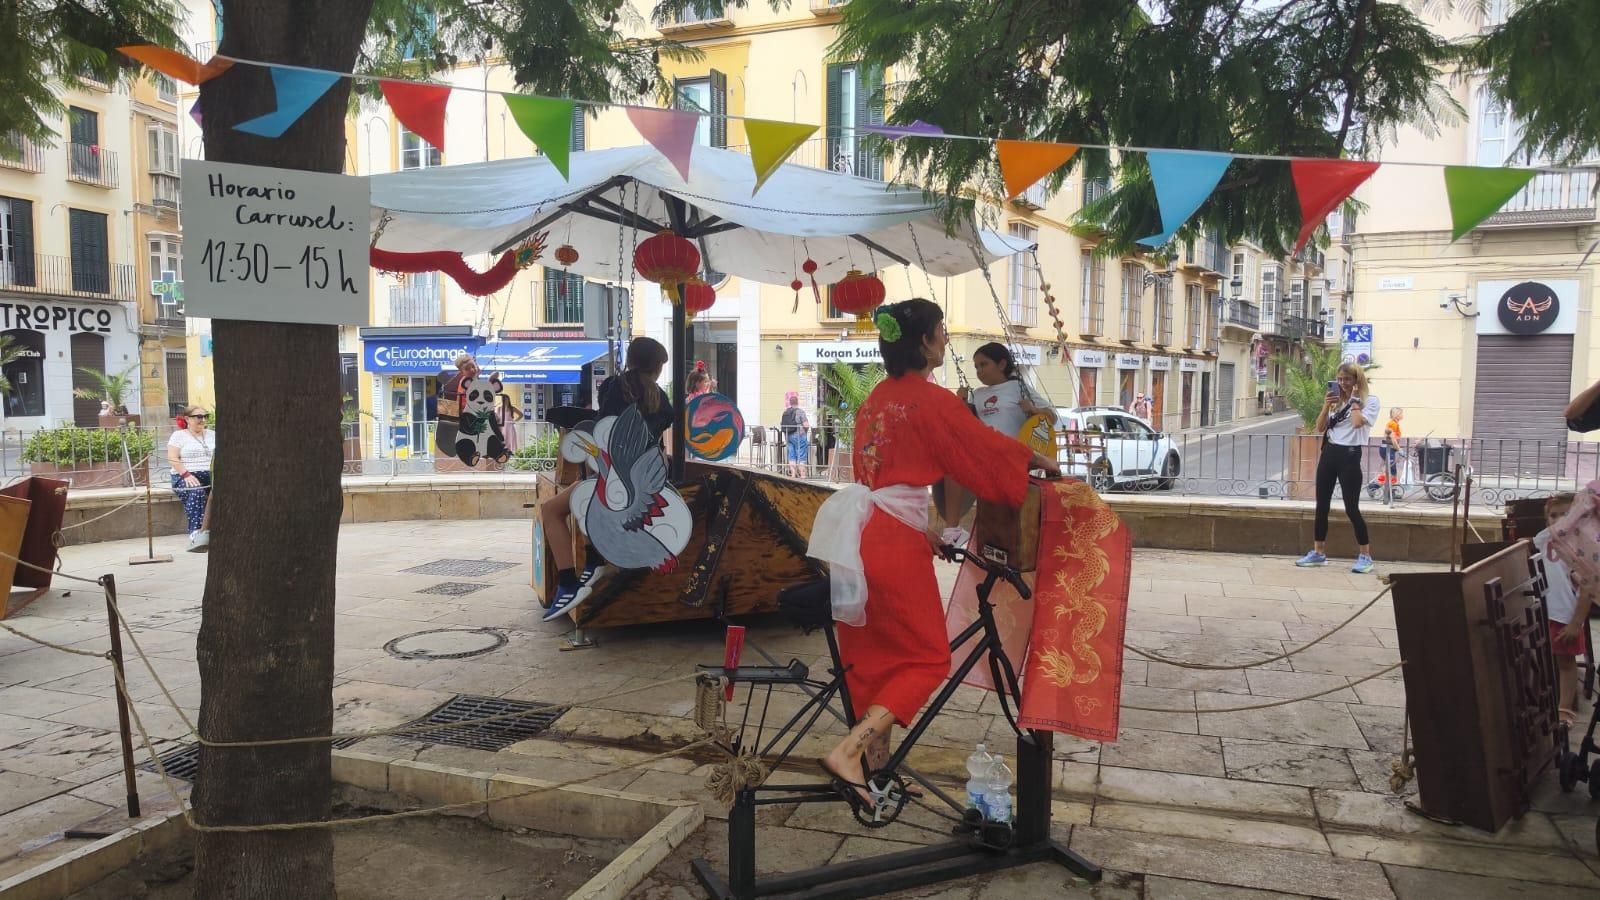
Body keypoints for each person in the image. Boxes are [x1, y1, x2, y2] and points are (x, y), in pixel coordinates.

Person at [807, 298, 1061, 803]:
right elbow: (981, 449)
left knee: (876, 658)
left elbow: (887, 481)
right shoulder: (932, 400)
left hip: (865, 534)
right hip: (894, 545)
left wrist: (924, 529)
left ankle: (877, 777)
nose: (946, 339)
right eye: (942, 331)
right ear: (924, 341)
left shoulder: (877, 397)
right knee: (927, 660)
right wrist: (1039, 461)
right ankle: (851, 752)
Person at [540, 337, 674, 622]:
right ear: (657, 367)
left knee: (552, 510)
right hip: (643, 483)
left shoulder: (614, 386)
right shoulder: (661, 400)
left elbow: (604, 431)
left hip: (611, 480)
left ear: (632, 360)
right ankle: (592, 557)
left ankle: (569, 581)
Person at [942, 342, 1057, 538]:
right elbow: (969, 427)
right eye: (976, 366)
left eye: (984, 364)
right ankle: (952, 530)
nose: (979, 371)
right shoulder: (977, 394)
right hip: (988, 455)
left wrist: (1033, 410)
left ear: (1002, 364)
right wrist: (960, 403)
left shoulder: (1018, 387)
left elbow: (1051, 417)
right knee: (952, 462)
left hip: (1016, 455)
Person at [1296, 363, 1381, 573]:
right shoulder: (1336, 401)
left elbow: (1357, 423)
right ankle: (1318, 552)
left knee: (1351, 508)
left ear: (1357, 380)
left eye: (1347, 380)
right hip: (1330, 453)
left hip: (1350, 456)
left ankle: (1365, 555)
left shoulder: (1370, 401)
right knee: (1321, 505)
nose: (1342, 384)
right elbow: (1320, 427)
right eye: (1340, 380)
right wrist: (1326, 406)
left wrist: (1353, 401)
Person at [1537, 493, 1592, 726]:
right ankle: (1544, 703)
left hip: (1565, 615)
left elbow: (1588, 590)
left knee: (1566, 664)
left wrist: (1575, 623)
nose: (1559, 520)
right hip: (1544, 612)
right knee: (1543, 659)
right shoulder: (1545, 539)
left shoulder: (1584, 548)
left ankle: (1564, 710)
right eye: (1553, 515)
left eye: (1565, 515)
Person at [168, 406, 216, 553]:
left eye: (205, 416)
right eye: (199, 416)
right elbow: (172, 458)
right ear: (187, 419)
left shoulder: (212, 434)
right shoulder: (178, 435)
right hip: (186, 474)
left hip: (210, 474)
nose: (203, 420)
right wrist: (186, 475)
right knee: (196, 491)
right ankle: (196, 533)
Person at [1367, 407, 1404, 496]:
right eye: (1401, 413)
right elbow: (1393, 439)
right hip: (1387, 449)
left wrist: (1397, 449)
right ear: (1397, 414)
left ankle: (1389, 490)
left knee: (1390, 471)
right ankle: (1375, 486)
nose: (1403, 415)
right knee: (1392, 471)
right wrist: (1399, 450)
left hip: (1389, 449)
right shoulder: (1392, 424)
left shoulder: (1394, 423)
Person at [488, 372, 524, 454]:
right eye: (503, 400)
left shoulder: (512, 408)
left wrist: (514, 421)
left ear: (508, 400)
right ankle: (503, 452)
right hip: (501, 426)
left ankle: (510, 452)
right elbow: (496, 416)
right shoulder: (499, 408)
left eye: (506, 400)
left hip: (509, 426)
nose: (505, 401)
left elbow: (521, 415)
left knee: (510, 439)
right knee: (503, 439)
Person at [780, 391, 810, 478]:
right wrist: (805, 431)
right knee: (801, 455)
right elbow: (806, 425)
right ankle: (802, 475)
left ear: (790, 403)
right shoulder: (800, 412)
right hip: (799, 436)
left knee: (791, 455)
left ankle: (793, 475)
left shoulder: (785, 412)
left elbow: (782, 424)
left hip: (788, 436)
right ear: (797, 402)